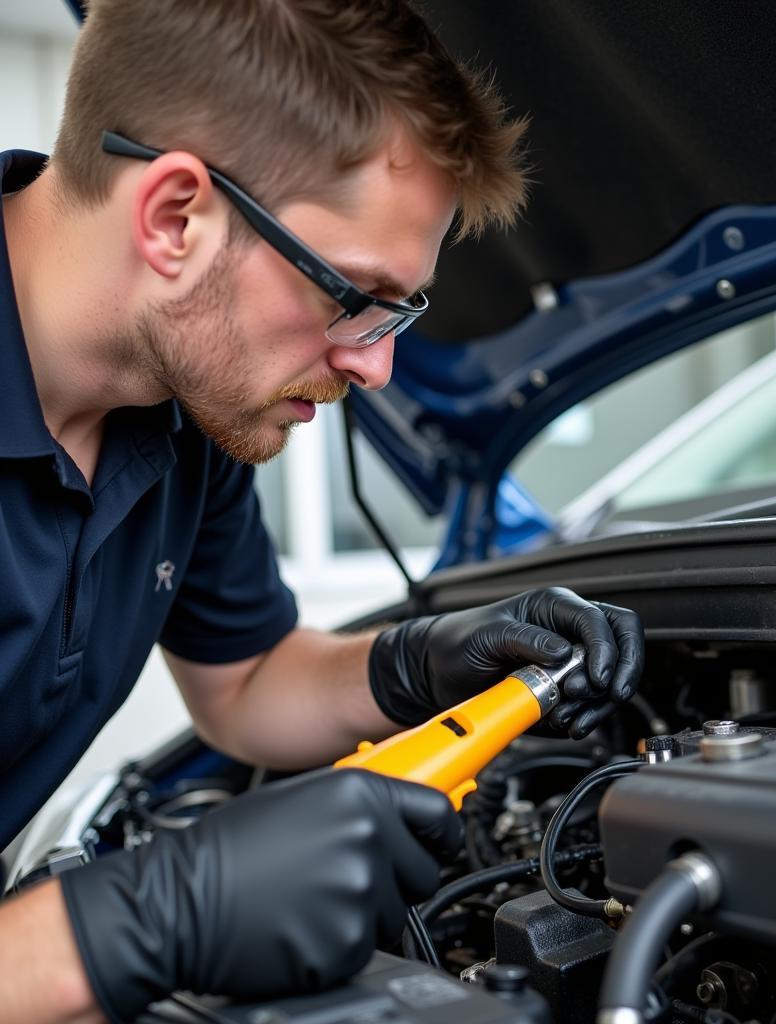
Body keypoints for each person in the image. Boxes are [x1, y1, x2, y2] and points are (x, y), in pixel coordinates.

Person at [0, 2, 645, 1021]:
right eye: (354, 294)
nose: (376, 365)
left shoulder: (175, 415)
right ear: (176, 216)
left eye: (400, 312)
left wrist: (417, 661)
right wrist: (146, 917)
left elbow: (246, 684)